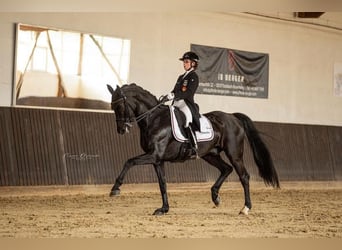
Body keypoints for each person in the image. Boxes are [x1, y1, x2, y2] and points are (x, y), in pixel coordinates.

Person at [163, 51, 201, 158]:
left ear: (193, 63)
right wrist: (168, 96)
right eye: (184, 62)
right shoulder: (181, 77)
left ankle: (193, 148)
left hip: (186, 104)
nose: (184, 64)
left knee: (187, 120)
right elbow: (175, 90)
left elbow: (189, 93)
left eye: (187, 62)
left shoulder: (193, 76)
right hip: (176, 103)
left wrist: (175, 95)